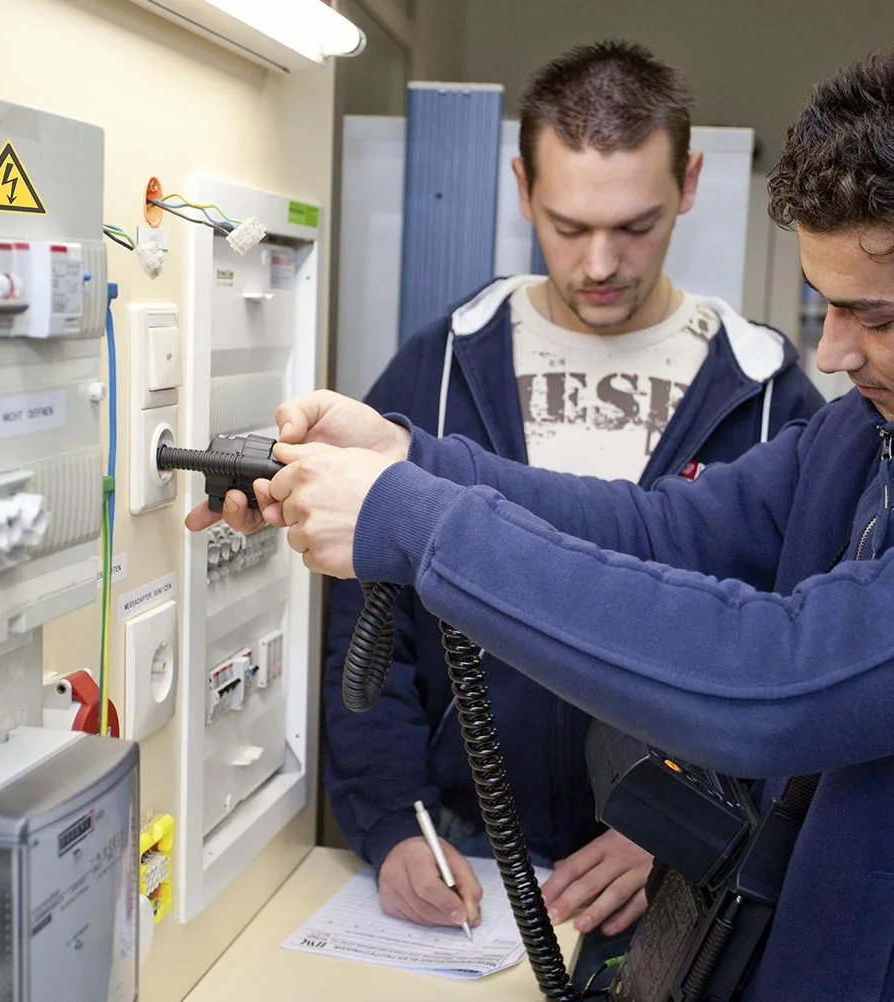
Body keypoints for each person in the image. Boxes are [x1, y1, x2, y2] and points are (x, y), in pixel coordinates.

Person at [189, 51, 894, 1001]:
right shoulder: (855, 439)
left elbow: (773, 674)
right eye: (830, 305)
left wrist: (422, 521)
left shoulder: (791, 397)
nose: (835, 350)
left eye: (875, 317)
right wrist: (411, 462)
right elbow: (654, 532)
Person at [322, 39, 822, 971]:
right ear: (521, 186)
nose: (599, 262)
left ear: (691, 182)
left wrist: (680, 823)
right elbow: (365, 626)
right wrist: (393, 823)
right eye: (566, 224)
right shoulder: (433, 377)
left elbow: (796, 661)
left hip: (669, 893)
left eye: (636, 226)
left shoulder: (765, 397)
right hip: (466, 860)